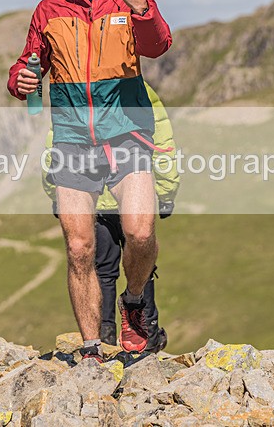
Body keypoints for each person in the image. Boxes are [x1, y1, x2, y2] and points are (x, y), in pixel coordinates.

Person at [8, 0, 172, 360]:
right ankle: (90, 349)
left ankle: (134, 303)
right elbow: (27, 65)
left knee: (140, 233)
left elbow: (158, 46)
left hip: (127, 134)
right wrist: (21, 81)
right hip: (73, 141)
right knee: (79, 247)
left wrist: (142, 9)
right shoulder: (48, 9)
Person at [42, 82, 180, 352]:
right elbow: (163, 144)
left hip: (96, 201)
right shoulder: (143, 93)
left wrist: (54, 193)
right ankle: (146, 338)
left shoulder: (79, 93)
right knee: (141, 263)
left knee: (103, 270)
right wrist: (166, 192)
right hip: (132, 191)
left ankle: (105, 337)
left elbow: (55, 146)